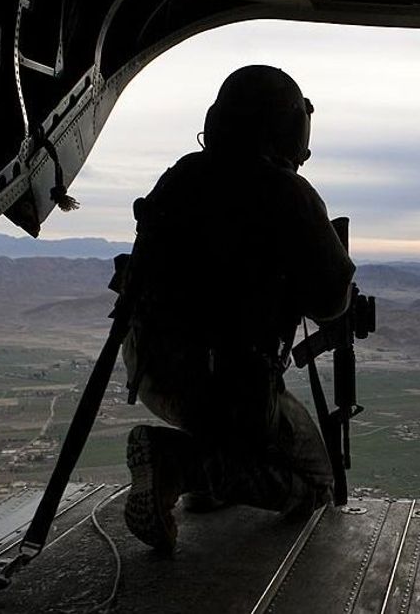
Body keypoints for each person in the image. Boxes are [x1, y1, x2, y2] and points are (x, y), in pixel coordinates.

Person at [118, 65, 355, 553]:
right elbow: (331, 303)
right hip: (227, 389)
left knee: (240, 421)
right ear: (289, 130)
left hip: (153, 373)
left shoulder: (181, 176)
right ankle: (181, 465)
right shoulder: (286, 193)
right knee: (314, 483)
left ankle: (204, 476)